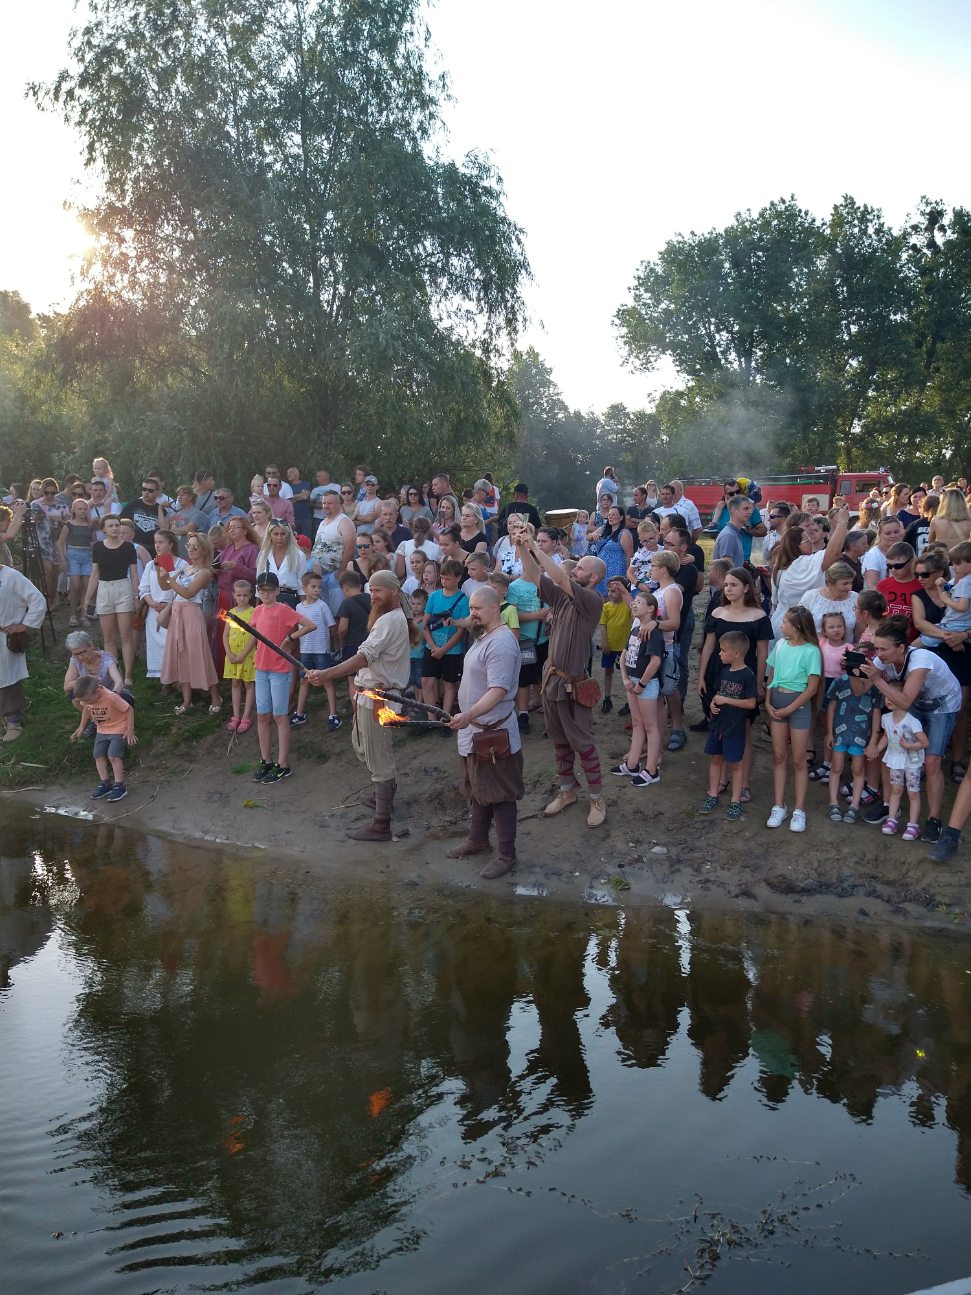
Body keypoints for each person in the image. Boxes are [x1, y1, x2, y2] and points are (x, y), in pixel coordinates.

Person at [306, 569, 418, 840]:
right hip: (370, 695)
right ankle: (384, 797)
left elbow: (363, 658)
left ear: (393, 591)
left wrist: (326, 674)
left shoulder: (390, 620)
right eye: (371, 591)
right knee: (364, 747)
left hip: (380, 698)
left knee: (378, 756)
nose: (373, 596)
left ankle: (381, 823)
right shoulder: (387, 618)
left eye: (378, 591)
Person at [513, 520, 608, 827]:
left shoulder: (591, 600)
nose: (574, 570)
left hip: (573, 685)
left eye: (580, 567)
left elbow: (558, 577)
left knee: (584, 742)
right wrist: (520, 544)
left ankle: (596, 797)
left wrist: (533, 546)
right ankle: (567, 791)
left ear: (593, 577)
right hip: (552, 681)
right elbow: (533, 575)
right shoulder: (561, 599)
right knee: (559, 741)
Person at [856, 618, 963, 842]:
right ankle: (890, 805)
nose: (879, 654)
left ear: (901, 648)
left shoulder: (920, 659)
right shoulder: (884, 657)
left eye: (883, 649)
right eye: (876, 648)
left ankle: (933, 819)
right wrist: (853, 672)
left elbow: (904, 702)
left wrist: (875, 678)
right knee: (892, 750)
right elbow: (860, 689)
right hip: (916, 701)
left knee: (932, 762)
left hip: (943, 704)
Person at [446, 586, 524, 879]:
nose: (472, 614)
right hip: (474, 730)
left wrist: (468, 714)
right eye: (471, 608)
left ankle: (507, 855)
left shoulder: (502, 643)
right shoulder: (484, 636)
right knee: (477, 787)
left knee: (501, 794)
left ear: (495, 608)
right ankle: (477, 839)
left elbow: (498, 691)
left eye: (477, 609)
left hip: (493, 732)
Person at [247, 571, 316, 784]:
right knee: (262, 716)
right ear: (258, 592)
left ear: (277, 590)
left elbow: (310, 625)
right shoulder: (257, 611)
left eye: (269, 590)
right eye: (262, 590)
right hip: (261, 669)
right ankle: (265, 759)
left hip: (279, 670)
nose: (266, 594)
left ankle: (283, 763)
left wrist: (290, 637)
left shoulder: (284, 610)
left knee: (280, 716)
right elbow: (254, 635)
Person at [765, 606, 822, 833]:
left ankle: (799, 809)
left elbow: (812, 688)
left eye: (785, 622)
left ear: (796, 627)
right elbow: (772, 673)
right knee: (779, 756)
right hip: (777, 703)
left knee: (799, 760)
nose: (781, 625)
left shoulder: (811, 651)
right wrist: (768, 700)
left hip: (797, 707)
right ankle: (779, 805)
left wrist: (789, 709)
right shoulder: (780, 645)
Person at [156, 532, 223, 715]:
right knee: (181, 655)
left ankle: (216, 697)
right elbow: (164, 586)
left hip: (192, 614)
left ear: (203, 550)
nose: (191, 550)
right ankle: (187, 700)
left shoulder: (205, 572)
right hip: (178, 614)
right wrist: (160, 568)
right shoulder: (185, 568)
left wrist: (169, 579)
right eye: (189, 546)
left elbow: (187, 592)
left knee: (199, 655)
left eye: (195, 547)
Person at [697, 630, 758, 820]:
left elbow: (751, 703)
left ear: (737, 653)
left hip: (734, 728)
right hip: (718, 725)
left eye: (723, 651)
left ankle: (735, 800)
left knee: (736, 764)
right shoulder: (724, 672)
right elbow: (718, 695)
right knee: (716, 759)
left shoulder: (747, 675)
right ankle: (713, 794)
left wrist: (726, 701)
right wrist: (715, 704)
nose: (720, 654)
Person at [770, 508, 850, 637]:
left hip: (782, 621)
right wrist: (842, 521)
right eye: (807, 526)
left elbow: (775, 601)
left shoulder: (782, 565)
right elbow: (833, 553)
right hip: (798, 626)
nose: (812, 529)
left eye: (813, 524)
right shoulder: (801, 564)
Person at [612, 589, 664, 785]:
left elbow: (655, 661)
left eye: (639, 602)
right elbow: (625, 654)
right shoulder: (635, 629)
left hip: (646, 684)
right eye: (634, 602)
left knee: (651, 726)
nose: (634, 604)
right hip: (632, 682)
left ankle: (651, 770)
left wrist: (642, 683)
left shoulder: (654, 633)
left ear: (651, 608)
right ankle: (632, 764)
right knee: (636, 723)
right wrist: (625, 678)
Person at [84, 514, 139, 687]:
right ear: (104, 529)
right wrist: (87, 598)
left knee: (125, 635)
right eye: (111, 525)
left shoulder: (129, 547)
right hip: (104, 589)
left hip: (123, 587)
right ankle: (115, 674)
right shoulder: (98, 547)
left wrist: (136, 596)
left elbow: (134, 573)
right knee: (108, 637)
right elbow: (95, 573)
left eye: (117, 525)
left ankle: (128, 675)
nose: (115, 528)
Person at [824, 659, 881, 825]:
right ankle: (833, 803)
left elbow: (876, 714)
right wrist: (829, 733)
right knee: (836, 767)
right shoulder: (840, 681)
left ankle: (854, 805)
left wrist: (873, 741)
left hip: (861, 736)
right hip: (840, 734)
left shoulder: (875, 686)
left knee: (858, 769)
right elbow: (831, 707)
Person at [70, 672, 136, 802]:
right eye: (82, 700)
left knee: (113, 756)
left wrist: (130, 730)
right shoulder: (87, 699)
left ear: (98, 690)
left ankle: (119, 786)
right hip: (102, 730)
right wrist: (81, 727)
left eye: (87, 700)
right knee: (98, 755)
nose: (84, 702)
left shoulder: (111, 697)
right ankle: (106, 783)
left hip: (118, 728)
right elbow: (86, 709)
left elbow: (129, 709)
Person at [0, 563, 47, 743]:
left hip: (5, 636)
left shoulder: (11, 576)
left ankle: (13, 721)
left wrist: (25, 625)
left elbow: (37, 600)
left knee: (7, 679)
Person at [290, 571, 340, 731]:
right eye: (313, 587)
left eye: (319, 587)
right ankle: (299, 713)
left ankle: (333, 714)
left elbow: (332, 626)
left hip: (321, 650)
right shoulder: (298, 607)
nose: (317, 590)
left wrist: (335, 645)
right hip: (305, 650)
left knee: (326, 680)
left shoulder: (323, 606)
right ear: (304, 588)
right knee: (304, 680)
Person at [421, 558, 469, 715]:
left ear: (458, 578)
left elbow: (461, 630)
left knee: (450, 683)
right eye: (442, 577)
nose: (444, 581)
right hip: (432, 647)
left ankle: (446, 716)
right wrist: (434, 647)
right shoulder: (434, 596)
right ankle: (431, 717)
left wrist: (443, 649)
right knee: (426, 681)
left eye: (448, 578)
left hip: (452, 650)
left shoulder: (463, 600)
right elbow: (425, 624)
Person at [877, 703, 929, 841]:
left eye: (892, 697)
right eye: (886, 697)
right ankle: (892, 819)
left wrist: (909, 746)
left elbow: (924, 742)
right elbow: (886, 736)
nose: (887, 700)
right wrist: (877, 749)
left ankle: (913, 825)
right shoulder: (886, 718)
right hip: (896, 759)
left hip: (911, 761)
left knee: (913, 792)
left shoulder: (912, 721)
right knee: (895, 789)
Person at [137, 529, 183, 680]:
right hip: (153, 610)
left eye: (161, 542)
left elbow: (184, 588)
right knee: (156, 645)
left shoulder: (182, 564)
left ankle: (176, 677)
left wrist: (168, 605)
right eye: (155, 542)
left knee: (173, 644)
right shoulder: (151, 564)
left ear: (170, 544)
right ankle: (162, 678)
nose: (157, 545)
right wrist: (151, 603)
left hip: (173, 609)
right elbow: (143, 588)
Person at [222, 579, 257, 733]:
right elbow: (225, 635)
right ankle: (235, 716)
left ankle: (246, 717)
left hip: (247, 656)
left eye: (245, 595)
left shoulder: (254, 612)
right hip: (232, 656)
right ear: (234, 595)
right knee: (235, 683)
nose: (242, 598)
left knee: (249, 684)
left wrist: (243, 654)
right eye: (239, 595)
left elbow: (254, 636)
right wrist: (229, 653)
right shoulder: (230, 613)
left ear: (250, 595)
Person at [58, 496, 96, 627]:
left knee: (87, 586)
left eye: (85, 509)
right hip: (73, 555)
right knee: (76, 585)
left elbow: (94, 542)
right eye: (80, 508)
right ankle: (73, 614)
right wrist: (63, 558)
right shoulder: (68, 525)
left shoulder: (90, 525)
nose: (82, 511)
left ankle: (83, 615)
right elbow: (60, 542)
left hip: (87, 556)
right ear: (73, 510)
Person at [599, 577, 633, 712]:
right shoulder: (606, 607)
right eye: (608, 591)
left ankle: (630, 702)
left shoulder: (628, 606)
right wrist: (604, 642)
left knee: (626, 674)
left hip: (623, 648)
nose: (610, 594)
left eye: (614, 591)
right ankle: (607, 698)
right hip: (610, 646)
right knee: (608, 671)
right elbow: (603, 625)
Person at [712, 494, 756, 568]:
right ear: (733, 510)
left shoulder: (734, 533)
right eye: (745, 508)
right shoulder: (729, 536)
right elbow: (726, 569)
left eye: (750, 508)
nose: (750, 512)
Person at [861, 515, 905, 588]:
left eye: (896, 532)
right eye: (888, 533)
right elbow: (872, 586)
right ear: (879, 534)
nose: (893, 536)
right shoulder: (873, 555)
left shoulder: (905, 550)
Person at [120, 478, 164, 548]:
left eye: (150, 490)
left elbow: (164, 530)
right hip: (133, 547)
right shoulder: (132, 505)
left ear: (157, 492)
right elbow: (121, 523)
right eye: (144, 489)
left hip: (153, 548)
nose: (146, 492)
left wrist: (160, 508)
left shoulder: (161, 510)